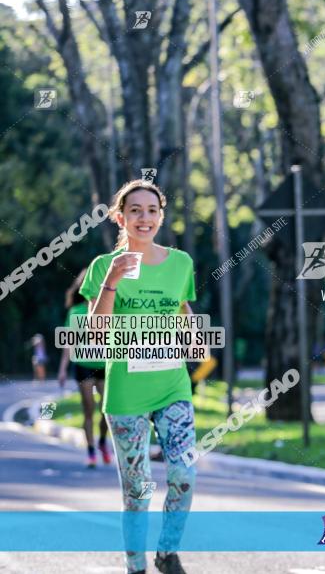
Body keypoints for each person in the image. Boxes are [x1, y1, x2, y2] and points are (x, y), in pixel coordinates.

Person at [81, 179, 197, 574]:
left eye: (151, 210)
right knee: (137, 491)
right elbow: (95, 332)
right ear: (120, 217)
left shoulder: (181, 263)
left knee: (184, 472)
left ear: (160, 216)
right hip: (127, 393)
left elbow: (182, 309)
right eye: (135, 210)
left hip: (173, 387)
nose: (143, 218)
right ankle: (136, 566)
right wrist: (112, 280)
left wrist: (193, 339)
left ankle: (167, 552)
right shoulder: (102, 267)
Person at [58, 269, 111, 467]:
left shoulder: (109, 309)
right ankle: (90, 451)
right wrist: (63, 369)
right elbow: (68, 343)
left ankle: (103, 442)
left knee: (106, 410)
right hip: (83, 365)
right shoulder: (76, 311)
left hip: (105, 365)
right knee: (88, 410)